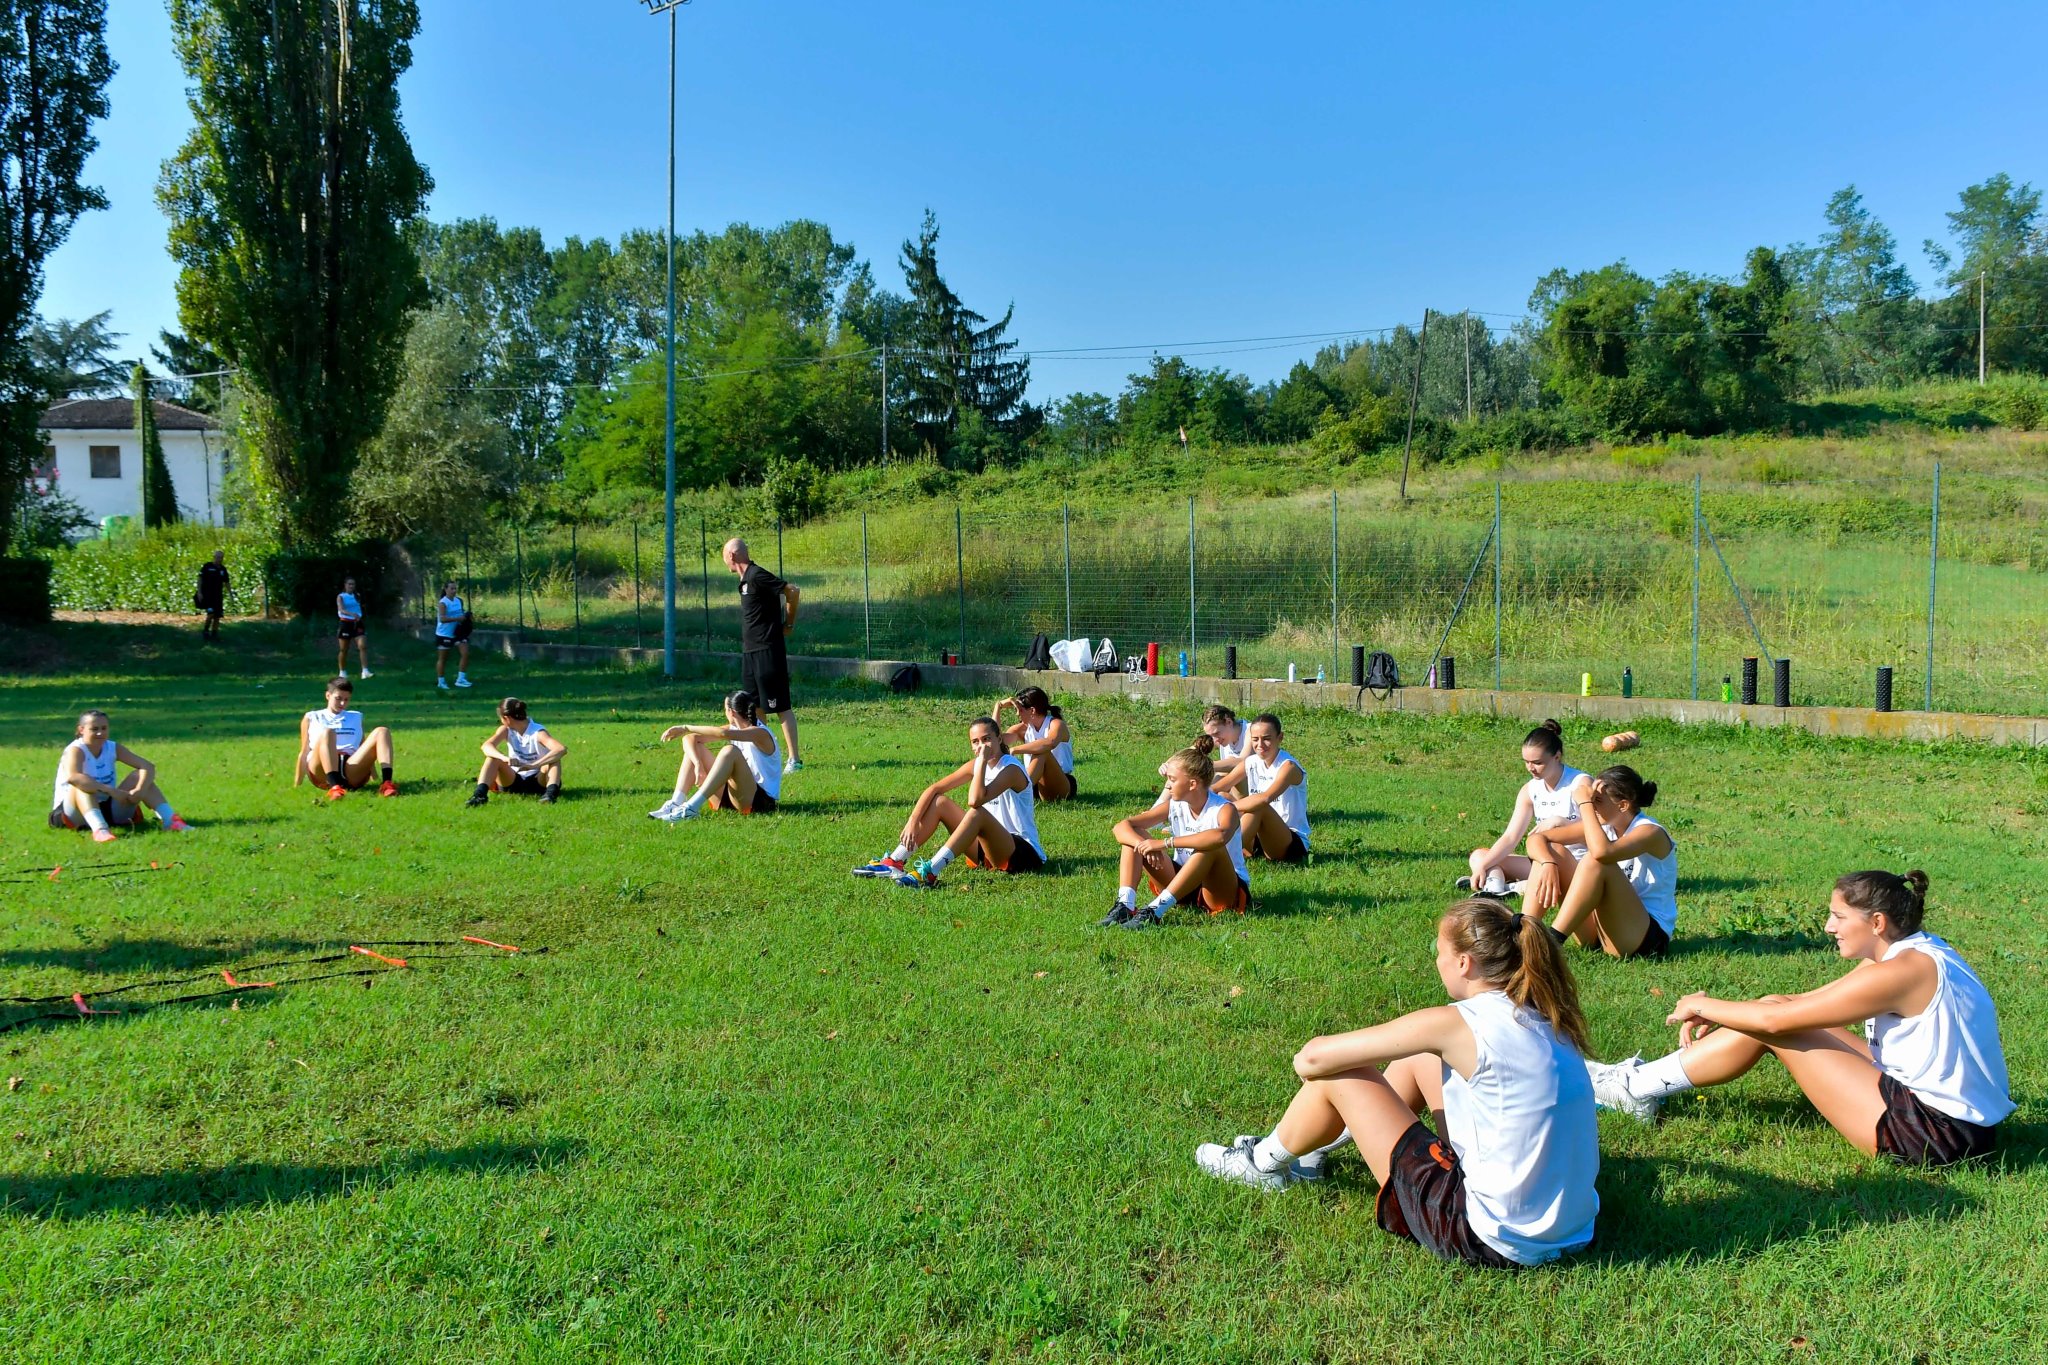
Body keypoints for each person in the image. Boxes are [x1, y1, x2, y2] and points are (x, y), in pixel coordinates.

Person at [1194, 898, 1599, 1270]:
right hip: (1573, 1229)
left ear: (1464, 963)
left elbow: (1312, 1057)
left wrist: (1316, 1071)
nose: (1436, 960)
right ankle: (1314, 1152)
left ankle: (1261, 1164)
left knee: (1341, 1074)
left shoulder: (1459, 1023)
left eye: (1439, 952)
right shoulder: (1546, 1016)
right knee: (1419, 1057)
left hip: (1489, 1238)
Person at [1588, 870, 2013, 1167]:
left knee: (1776, 1026)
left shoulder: (1901, 973)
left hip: (1935, 1137)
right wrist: (1732, 1012)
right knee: (1773, 1004)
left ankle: (1634, 1090)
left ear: (1877, 922)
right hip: (1956, 1121)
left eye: (1839, 917)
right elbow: (1796, 1003)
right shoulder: (1916, 950)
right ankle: (1638, 1085)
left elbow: (1778, 1025)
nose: (1829, 927)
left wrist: (1702, 1006)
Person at [850, 716, 1044, 888]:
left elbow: (974, 800)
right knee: (939, 802)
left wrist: (982, 763)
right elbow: (934, 789)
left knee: (977, 813)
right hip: (987, 850)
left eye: (986, 739)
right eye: (975, 742)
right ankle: (895, 861)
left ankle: (930, 872)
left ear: (999, 739)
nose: (981, 746)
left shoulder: (1011, 769)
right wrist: (913, 820)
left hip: (1020, 853)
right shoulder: (976, 764)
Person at [1526, 765, 1674, 959]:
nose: (1593, 806)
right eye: (1591, 800)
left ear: (1622, 805)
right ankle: (1523, 935)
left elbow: (1602, 853)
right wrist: (1548, 862)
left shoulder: (1650, 832)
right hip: (1603, 929)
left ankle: (1551, 942)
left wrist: (1585, 804)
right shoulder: (1606, 826)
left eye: (1598, 800)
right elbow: (1536, 839)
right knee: (1554, 850)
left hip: (1644, 937)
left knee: (1595, 861)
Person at [1100, 743, 1248, 929]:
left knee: (1209, 848)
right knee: (1135, 834)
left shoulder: (1224, 809)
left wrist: (1164, 843)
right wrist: (1144, 845)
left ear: (1192, 784)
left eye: (1172, 779)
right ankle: (1125, 905)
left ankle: (1154, 911)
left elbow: (1219, 837)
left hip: (1220, 888)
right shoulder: (1175, 805)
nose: (1167, 785)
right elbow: (1122, 827)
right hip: (1183, 883)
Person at [1458, 719, 1585, 911]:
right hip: (1541, 861)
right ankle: (1496, 889)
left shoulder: (1580, 784)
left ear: (1557, 757)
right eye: (1526, 762)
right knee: (1479, 856)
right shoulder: (1530, 789)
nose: (1530, 768)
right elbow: (1510, 837)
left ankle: (1508, 885)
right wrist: (1481, 867)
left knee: (1542, 856)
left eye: (1537, 763)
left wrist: (1562, 822)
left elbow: (1602, 832)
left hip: (1576, 865)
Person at [723, 538, 803, 774]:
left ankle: (794, 760)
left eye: (724, 556)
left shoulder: (757, 575)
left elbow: (792, 591)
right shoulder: (744, 581)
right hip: (750, 652)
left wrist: (788, 623)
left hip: (769, 650)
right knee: (755, 707)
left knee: (779, 705)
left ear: (732, 556)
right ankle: (763, 754)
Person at [50, 710, 191, 841]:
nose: (100, 733)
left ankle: (171, 821)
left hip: (107, 807)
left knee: (141, 777)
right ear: (81, 730)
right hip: (73, 813)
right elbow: (73, 777)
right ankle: (100, 830)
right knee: (82, 785)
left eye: (104, 728)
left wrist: (140, 790)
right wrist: (111, 791)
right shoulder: (75, 750)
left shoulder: (112, 747)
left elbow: (147, 766)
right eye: (94, 729)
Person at [648, 690, 781, 822]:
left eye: (724, 709)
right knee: (696, 748)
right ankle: (676, 802)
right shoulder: (734, 728)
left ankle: (690, 809)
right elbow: (690, 739)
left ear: (731, 712)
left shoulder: (760, 732)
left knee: (730, 751)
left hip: (759, 802)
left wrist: (686, 727)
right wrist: (698, 764)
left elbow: (723, 734)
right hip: (734, 796)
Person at [1215, 714, 1310, 863]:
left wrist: (1228, 808)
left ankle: (1219, 856)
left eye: (1266, 738)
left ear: (1280, 738)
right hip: (1258, 835)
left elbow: (1265, 798)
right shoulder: (1251, 762)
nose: (1260, 744)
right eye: (1255, 739)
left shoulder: (1288, 767)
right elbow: (1217, 788)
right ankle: (1213, 846)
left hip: (1289, 842)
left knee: (1259, 806)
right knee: (1222, 795)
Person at [295, 677, 397, 799]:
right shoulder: (312, 717)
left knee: (382, 731)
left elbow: (363, 746)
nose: (342, 703)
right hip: (321, 769)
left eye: (346, 700)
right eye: (338, 699)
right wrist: (297, 783)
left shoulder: (355, 717)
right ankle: (334, 788)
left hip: (351, 767)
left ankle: (387, 784)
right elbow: (304, 751)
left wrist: (374, 776)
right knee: (328, 732)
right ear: (328, 695)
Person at [467, 697, 565, 807]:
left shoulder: (538, 732)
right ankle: (479, 795)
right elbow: (486, 746)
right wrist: (504, 758)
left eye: (501, 718)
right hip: (513, 780)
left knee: (554, 760)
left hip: (538, 780)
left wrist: (534, 765)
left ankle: (550, 795)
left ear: (506, 718)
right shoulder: (505, 730)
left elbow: (560, 749)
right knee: (492, 758)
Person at [996, 685, 1075, 801]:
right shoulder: (1023, 729)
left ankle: (1018, 790)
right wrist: (998, 706)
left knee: (1042, 751)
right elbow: (995, 741)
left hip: (1061, 783)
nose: (1017, 714)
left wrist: (1015, 749)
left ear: (1032, 710)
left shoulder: (1056, 724)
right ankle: (1016, 790)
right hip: (1035, 785)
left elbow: (1049, 743)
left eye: (1020, 710)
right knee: (1039, 750)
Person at [1158, 704, 1247, 797]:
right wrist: (1169, 764)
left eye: (1216, 733)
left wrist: (1203, 766)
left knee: (1223, 772)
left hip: (1251, 792)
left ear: (1229, 722)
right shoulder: (1219, 737)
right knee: (1181, 772)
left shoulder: (1250, 731)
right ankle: (1157, 807)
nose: (1214, 740)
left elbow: (1242, 762)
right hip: (1230, 790)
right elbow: (1192, 750)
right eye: (1210, 735)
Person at [435, 581, 472, 689]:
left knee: (465, 653)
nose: (454, 591)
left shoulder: (459, 601)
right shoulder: (443, 603)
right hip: (444, 634)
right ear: (446, 589)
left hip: (457, 632)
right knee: (443, 658)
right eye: (452, 588)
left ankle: (461, 679)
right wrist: (456, 619)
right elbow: (442, 618)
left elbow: (461, 613)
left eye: (455, 589)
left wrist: (466, 618)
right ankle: (441, 682)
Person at [335, 577, 372, 680]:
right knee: (344, 649)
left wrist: (359, 616)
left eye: (353, 584)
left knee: (363, 646)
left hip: (357, 623)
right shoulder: (341, 596)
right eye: (349, 584)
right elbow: (341, 609)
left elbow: (359, 607)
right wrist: (351, 614)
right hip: (345, 623)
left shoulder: (357, 595)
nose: (351, 586)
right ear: (345, 585)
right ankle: (342, 672)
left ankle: (365, 671)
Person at [195, 550, 229, 643]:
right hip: (208, 595)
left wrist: (230, 593)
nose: (219, 559)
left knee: (217, 616)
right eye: (217, 557)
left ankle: (215, 634)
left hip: (218, 596)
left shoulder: (223, 569)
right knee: (211, 614)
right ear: (214, 557)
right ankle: (205, 631)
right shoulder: (207, 567)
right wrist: (199, 592)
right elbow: (200, 579)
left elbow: (226, 582)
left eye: (221, 557)